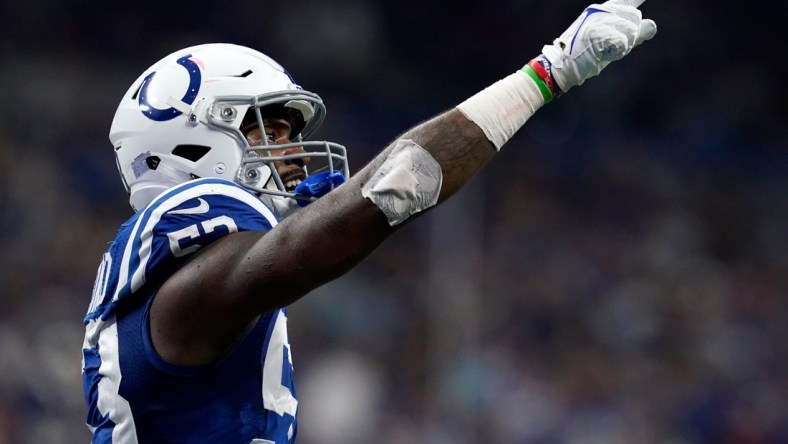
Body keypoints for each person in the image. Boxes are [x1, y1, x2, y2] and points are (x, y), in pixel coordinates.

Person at [81, 2, 657, 442]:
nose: (296, 155)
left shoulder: (169, 291)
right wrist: (548, 72)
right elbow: (396, 187)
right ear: (192, 144)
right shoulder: (190, 292)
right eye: (274, 130)